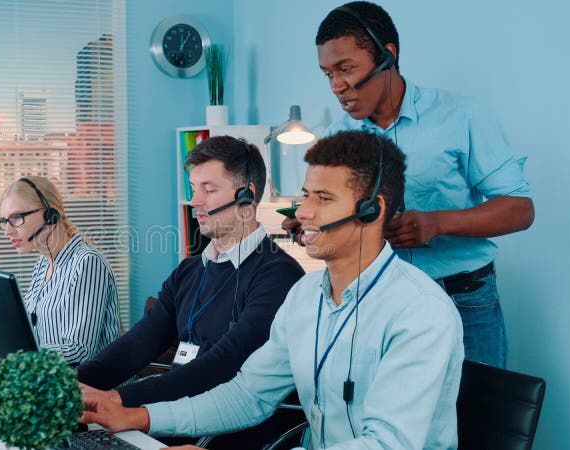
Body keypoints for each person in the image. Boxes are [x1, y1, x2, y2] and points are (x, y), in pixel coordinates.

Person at [82, 130, 465, 449]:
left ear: (372, 210)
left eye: (324, 198)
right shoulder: (306, 296)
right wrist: (139, 417)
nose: (302, 213)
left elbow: (386, 444)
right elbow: (249, 395)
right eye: (306, 194)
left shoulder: (420, 313)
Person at [284, 1, 534, 367]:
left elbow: (519, 209)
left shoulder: (462, 116)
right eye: (328, 74)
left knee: (476, 421)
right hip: (379, 301)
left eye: (346, 69)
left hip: (464, 299)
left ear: (388, 56)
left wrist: (437, 223)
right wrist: (313, 223)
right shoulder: (338, 137)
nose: (337, 86)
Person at [77, 135, 305, 448]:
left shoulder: (279, 277)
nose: (195, 200)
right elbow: (139, 342)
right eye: (193, 188)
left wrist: (116, 399)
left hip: (224, 436)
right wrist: (72, 387)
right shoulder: (191, 269)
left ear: (245, 197)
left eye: (208, 189)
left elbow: (222, 366)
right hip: (169, 422)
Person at [0, 175, 120, 364]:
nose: (8, 231)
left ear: (50, 215)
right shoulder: (43, 263)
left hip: (93, 388)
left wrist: (21, 357)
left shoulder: (87, 263)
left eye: (17, 218)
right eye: (5, 221)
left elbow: (79, 351)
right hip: (51, 382)